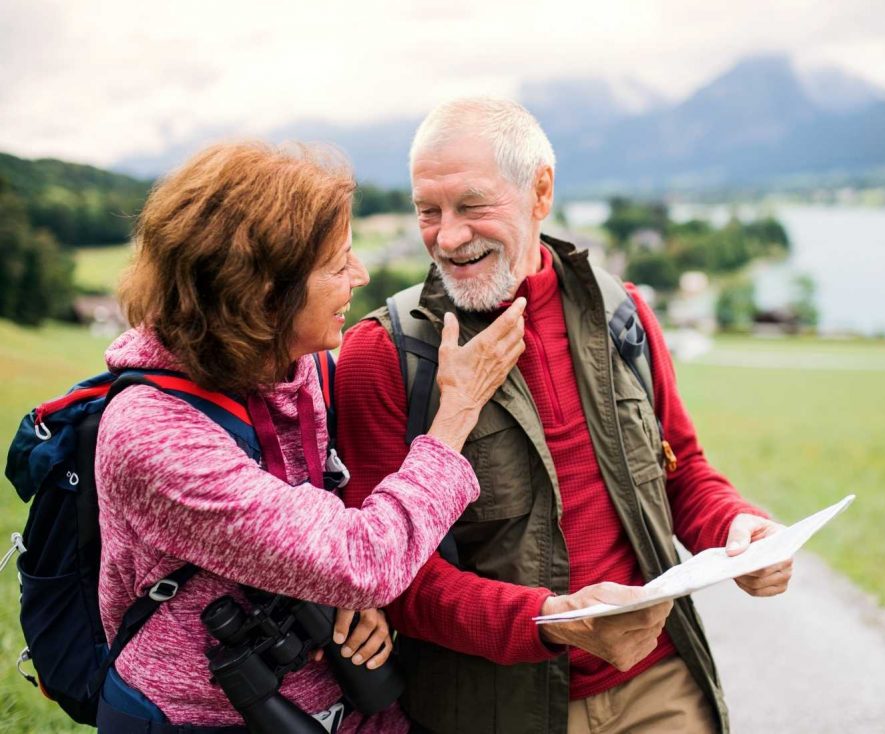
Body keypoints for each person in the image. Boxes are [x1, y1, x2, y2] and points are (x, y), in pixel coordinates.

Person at [335, 98, 793, 734]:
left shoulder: (623, 311)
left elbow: (681, 471)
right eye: (427, 212)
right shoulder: (383, 353)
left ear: (539, 190)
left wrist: (740, 529)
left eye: (471, 206)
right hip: (495, 714)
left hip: (660, 688)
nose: (448, 236)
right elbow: (395, 580)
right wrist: (551, 622)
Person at [94, 141, 526, 733]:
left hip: (345, 702)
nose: (362, 275)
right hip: (205, 718)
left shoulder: (290, 367)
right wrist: (456, 414)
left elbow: (331, 535)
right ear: (264, 291)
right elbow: (360, 558)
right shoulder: (152, 436)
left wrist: (345, 595)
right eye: (338, 264)